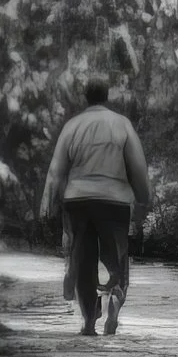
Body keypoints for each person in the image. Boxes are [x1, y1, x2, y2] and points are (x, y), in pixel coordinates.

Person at [40, 82, 153, 337]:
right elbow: (137, 166)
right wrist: (144, 197)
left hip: (78, 201)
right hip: (114, 201)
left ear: (86, 97)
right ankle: (115, 296)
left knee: (83, 259)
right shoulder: (122, 124)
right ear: (107, 96)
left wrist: (47, 205)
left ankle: (89, 319)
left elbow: (56, 171)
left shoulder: (73, 126)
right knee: (117, 256)